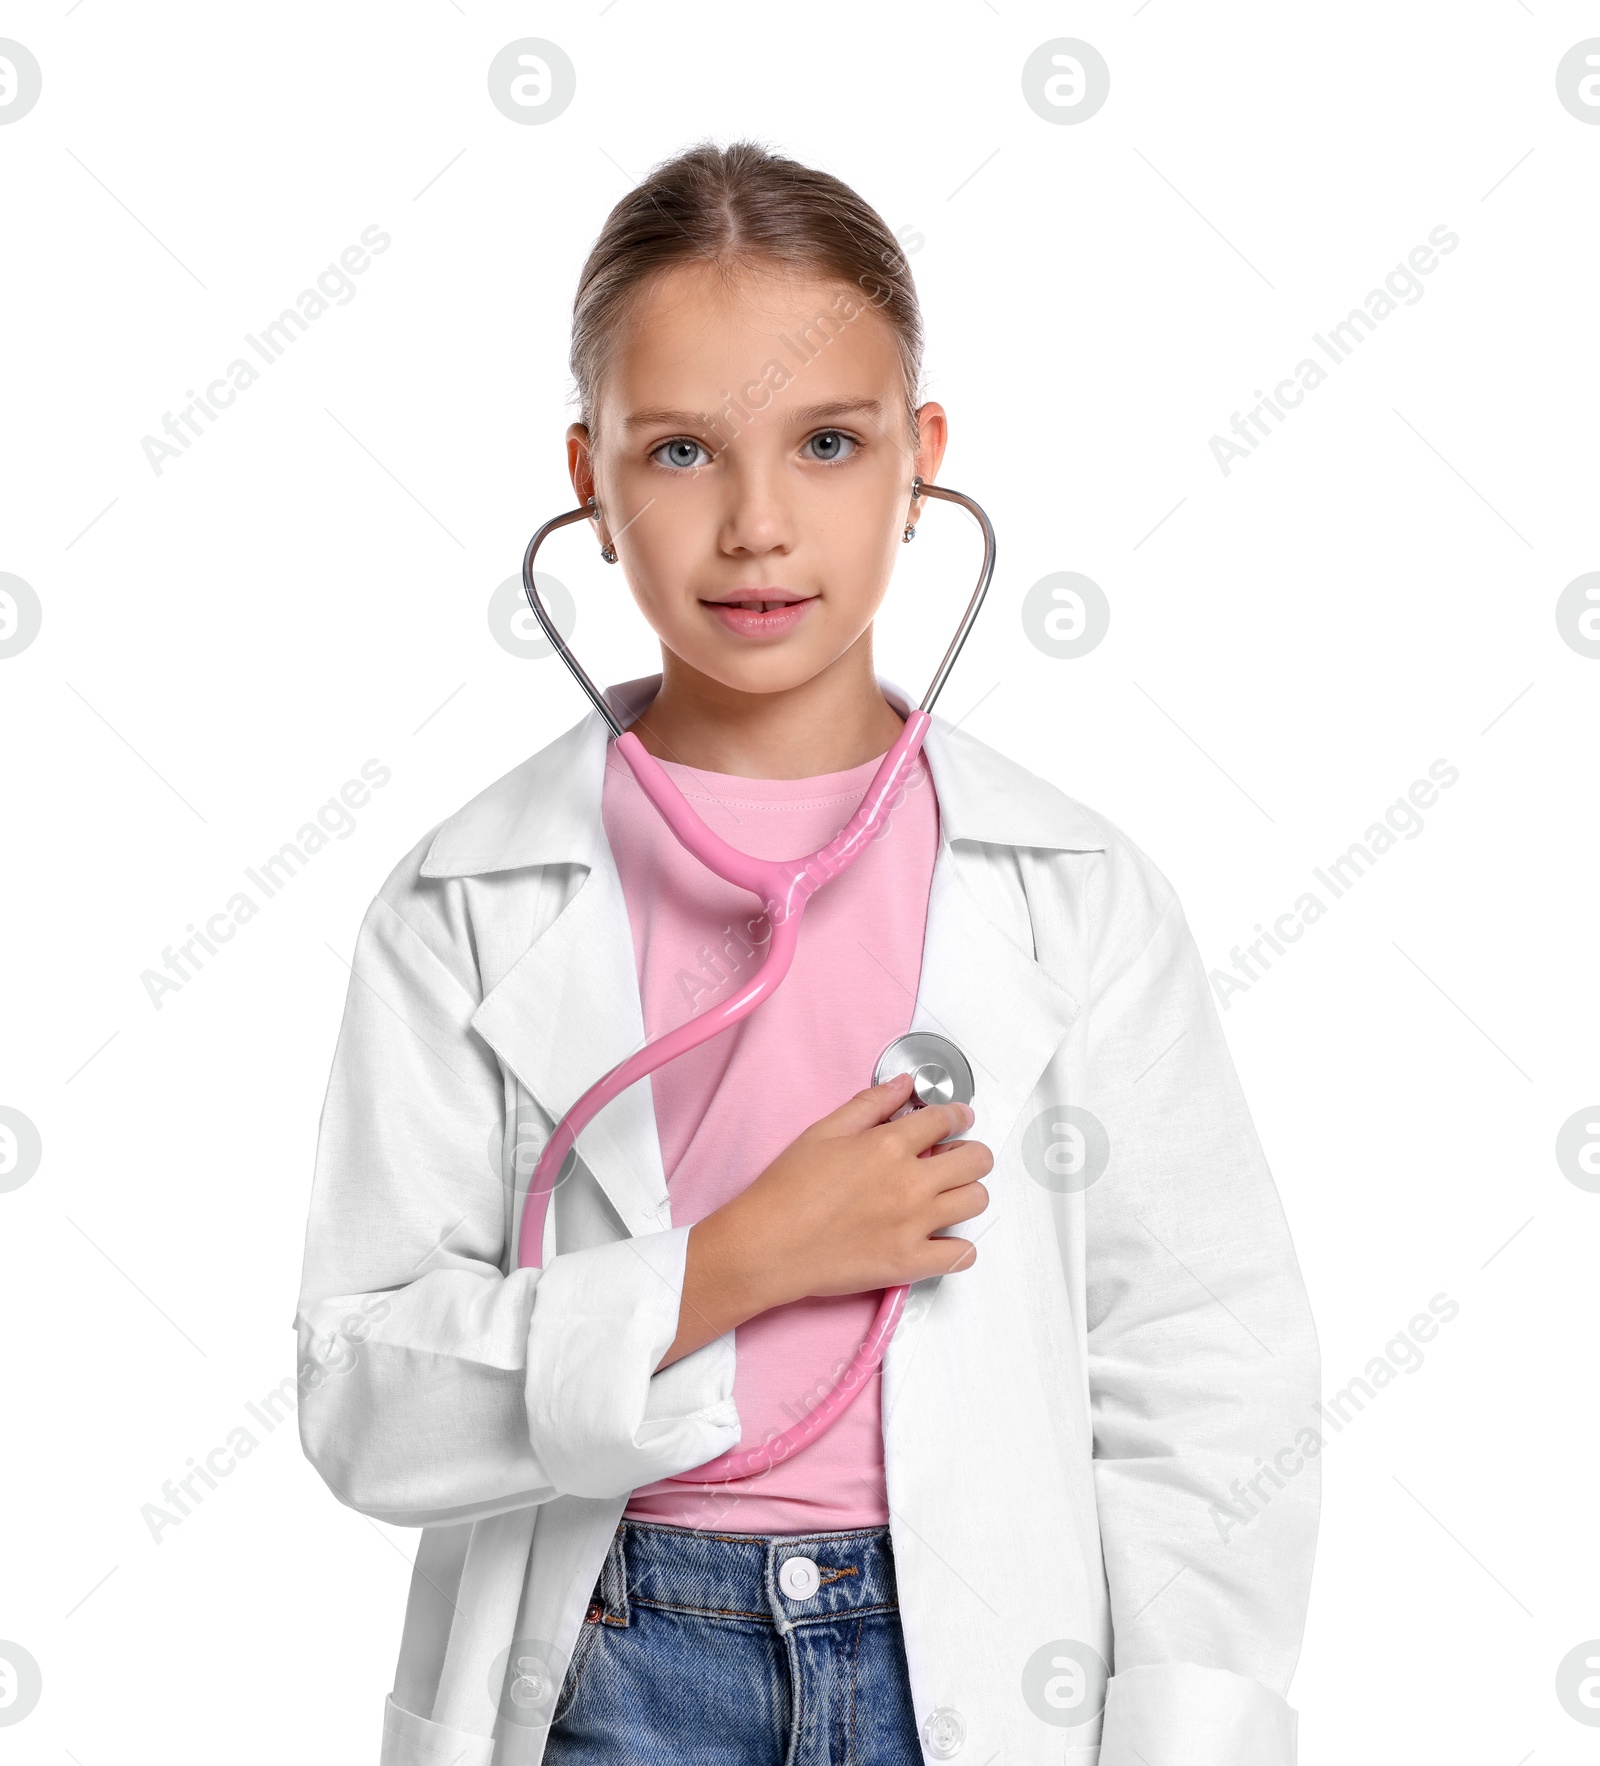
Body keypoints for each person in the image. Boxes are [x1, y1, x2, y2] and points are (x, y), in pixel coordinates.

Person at [295, 138, 1321, 1766]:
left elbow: (1205, 1370)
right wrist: (740, 1257)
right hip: (610, 1660)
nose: (759, 523)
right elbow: (362, 1396)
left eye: (827, 443)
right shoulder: (462, 902)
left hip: (973, 1660)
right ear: (591, 476)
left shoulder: (1079, 894)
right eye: (685, 450)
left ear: (919, 463)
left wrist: (1189, 1732)